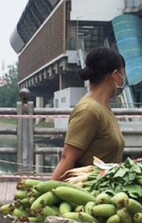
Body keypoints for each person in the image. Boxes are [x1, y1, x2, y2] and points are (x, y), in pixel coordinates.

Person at [49, 47, 127, 181]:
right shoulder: (89, 110)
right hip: (88, 193)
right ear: (115, 75)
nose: (124, 79)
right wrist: (46, 194)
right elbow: (67, 158)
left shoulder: (104, 108)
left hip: (105, 190)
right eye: (123, 74)